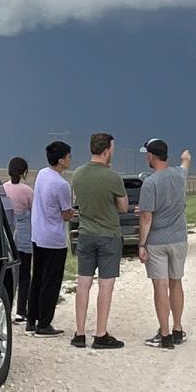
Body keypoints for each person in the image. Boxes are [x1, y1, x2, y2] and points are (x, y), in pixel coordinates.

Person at [68, 133, 128, 349]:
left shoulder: (78, 174)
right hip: (109, 235)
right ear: (106, 151)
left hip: (85, 234)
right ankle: (100, 334)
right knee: (105, 285)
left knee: (83, 284)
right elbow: (123, 207)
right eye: (113, 149)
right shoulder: (113, 177)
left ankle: (79, 333)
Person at [137, 139, 191, 349]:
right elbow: (186, 163)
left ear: (151, 156)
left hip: (157, 242)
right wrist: (185, 157)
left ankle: (165, 334)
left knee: (160, 285)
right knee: (176, 282)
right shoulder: (180, 174)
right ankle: (178, 329)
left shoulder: (150, 183)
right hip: (178, 238)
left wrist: (142, 244)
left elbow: (146, 218)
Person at [28, 140, 75, 337]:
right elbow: (65, 214)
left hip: (37, 234)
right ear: (62, 160)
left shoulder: (41, 173)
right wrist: (72, 213)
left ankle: (31, 320)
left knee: (37, 277)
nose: (70, 160)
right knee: (51, 281)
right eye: (69, 156)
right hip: (54, 238)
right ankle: (44, 323)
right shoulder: (61, 184)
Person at [1, 157, 35, 323]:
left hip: (8, 234)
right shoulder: (27, 191)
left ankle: (7, 308)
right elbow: (33, 211)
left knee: (9, 273)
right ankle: (21, 310)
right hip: (24, 235)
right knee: (24, 274)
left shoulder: (4, 188)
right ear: (24, 172)